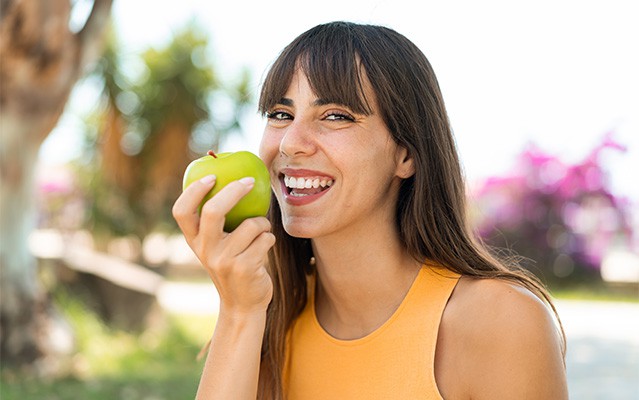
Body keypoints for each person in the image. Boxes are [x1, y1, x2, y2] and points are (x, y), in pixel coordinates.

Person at [172, 21, 569, 400]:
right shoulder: (266, 321)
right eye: (280, 114)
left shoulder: (502, 322)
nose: (291, 143)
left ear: (406, 154)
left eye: (336, 116)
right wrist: (239, 310)